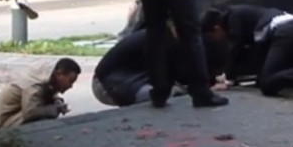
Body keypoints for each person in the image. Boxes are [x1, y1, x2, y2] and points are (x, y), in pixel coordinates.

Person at [202, 5, 293, 102]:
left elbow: (235, 47)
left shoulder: (233, 18)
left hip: (285, 33)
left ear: (216, 28)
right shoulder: (243, 13)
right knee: (279, 72)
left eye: (213, 36)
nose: (216, 40)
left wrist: (228, 80)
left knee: (267, 83)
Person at [92, 25, 227, 108]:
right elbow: (178, 73)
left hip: (128, 78)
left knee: (172, 92)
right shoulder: (163, 40)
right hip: (108, 83)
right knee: (170, 97)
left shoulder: (164, 36)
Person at [0, 58, 81, 131]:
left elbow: (49, 94)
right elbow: (30, 112)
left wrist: (57, 101)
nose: (70, 86)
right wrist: (54, 109)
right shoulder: (34, 86)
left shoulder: (43, 79)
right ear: (59, 74)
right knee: (41, 116)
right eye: (70, 81)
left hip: (1, 119)